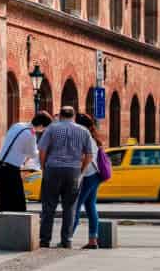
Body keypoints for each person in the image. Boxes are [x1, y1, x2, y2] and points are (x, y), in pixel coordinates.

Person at [38, 105, 94, 248]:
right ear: (74, 116)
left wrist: (44, 167)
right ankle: (66, 240)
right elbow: (89, 155)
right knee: (70, 207)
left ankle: (45, 240)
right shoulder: (83, 131)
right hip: (73, 170)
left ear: (61, 115)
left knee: (49, 206)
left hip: (53, 168)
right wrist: (81, 170)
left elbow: (42, 150)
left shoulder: (52, 128)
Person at [0, 112, 48, 214]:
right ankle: (19, 223)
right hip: (12, 169)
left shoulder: (17, 125)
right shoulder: (31, 134)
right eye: (44, 128)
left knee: (3, 198)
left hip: (1, 164)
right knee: (18, 200)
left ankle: (2, 221)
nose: (43, 131)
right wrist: (41, 150)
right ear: (40, 125)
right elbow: (32, 154)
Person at [75, 116, 109, 250]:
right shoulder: (91, 137)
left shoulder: (85, 137)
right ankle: (93, 239)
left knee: (75, 206)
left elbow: (84, 157)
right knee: (90, 206)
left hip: (89, 175)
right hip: (95, 174)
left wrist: (79, 174)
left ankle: (68, 238)